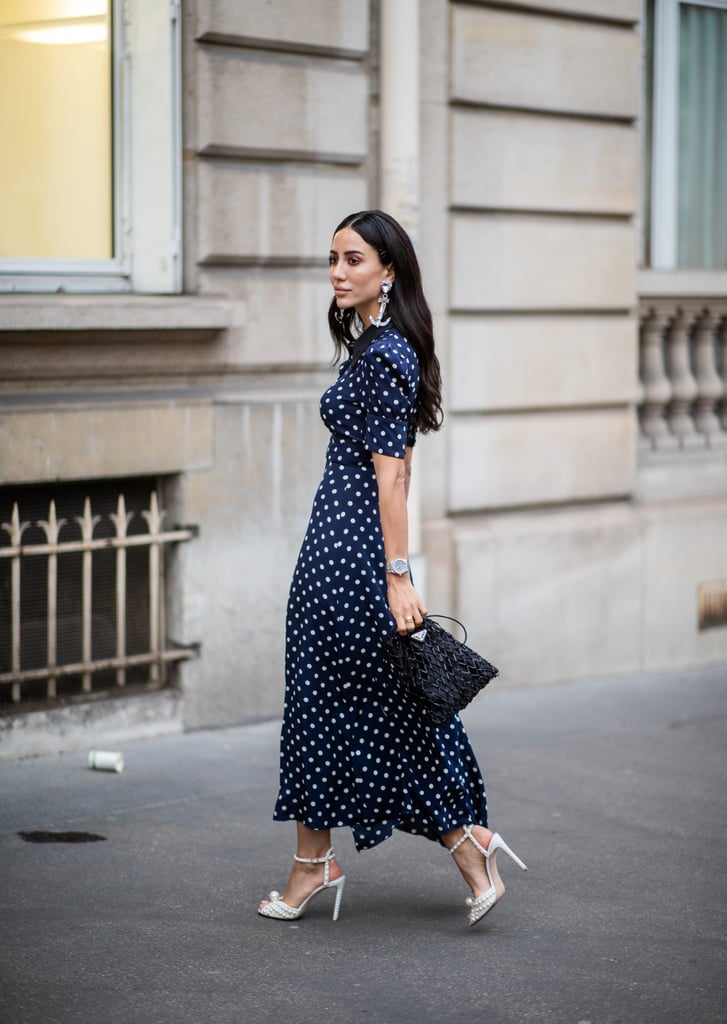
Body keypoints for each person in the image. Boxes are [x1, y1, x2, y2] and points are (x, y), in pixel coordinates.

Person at [258, 210, 527, 927]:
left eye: (352, 259)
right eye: (332, 259)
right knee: (322, 704)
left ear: (388, 271)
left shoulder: (386, 355)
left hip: (353, 560)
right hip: (334, 551)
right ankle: (316, 861)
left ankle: (466, 842)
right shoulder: (376, 344)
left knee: (380, 707)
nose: (337, 272)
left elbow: (394, 477)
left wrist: (398, 575)